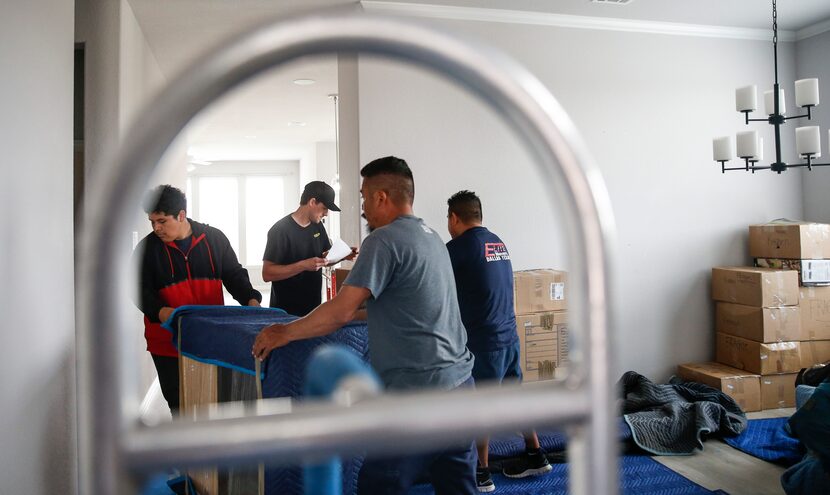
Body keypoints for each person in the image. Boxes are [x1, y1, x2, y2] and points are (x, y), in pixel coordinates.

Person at [253, 156, 477, 495]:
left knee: (378, 486)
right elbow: (396, 309)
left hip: (417, 396)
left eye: (363, 197)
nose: (362, 207)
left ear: (381, 197)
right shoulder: (430, 236)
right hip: (461, 388)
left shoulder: (383, 240)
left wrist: (283, 331)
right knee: (457, 487)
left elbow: (341, 311)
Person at [446, 190, 552, 492]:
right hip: (508, 336)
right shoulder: (497, 242)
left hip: (484, 341)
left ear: (454, 218)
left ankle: (481, 471)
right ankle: (535, 453)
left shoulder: (459, 247)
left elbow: (433, 278)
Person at [134, 184, 262, 412]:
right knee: (180, 406)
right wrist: (165, 314)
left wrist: (252, 302)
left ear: (181, 215)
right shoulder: (146, 249)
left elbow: (234, 275)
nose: (156, 228)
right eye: (152, 222)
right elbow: (137, 291)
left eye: (162, 221)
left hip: (210, 338)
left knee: (214, 400)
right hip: (168, 342)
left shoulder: (213, 239)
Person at [262, 180, 356, 316]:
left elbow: (324, 259)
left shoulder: (317, 226)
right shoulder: (280, 230)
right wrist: (303, 265)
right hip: (285, 312)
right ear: (312, 202)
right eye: (324, 208)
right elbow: (267, 274)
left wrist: (343, 254)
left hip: (313, 309)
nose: (327, 214)